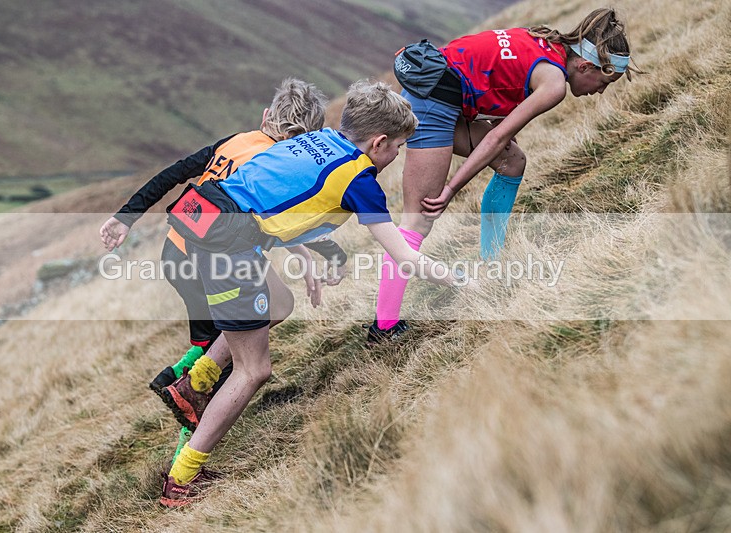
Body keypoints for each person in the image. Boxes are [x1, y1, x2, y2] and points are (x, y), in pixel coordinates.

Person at [159, 80, 461, 507]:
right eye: (397, 147)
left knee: (280, 303)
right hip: (229, 244)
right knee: (253, 370)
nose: (397, 156)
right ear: (378, 142)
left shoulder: (319, 138)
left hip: (207, 221)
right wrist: (460, 280)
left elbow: (281, 196)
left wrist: (319, 255)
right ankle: (182, 479)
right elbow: (403, 257)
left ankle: (197, 381)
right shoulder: (360, 180)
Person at [99, 78, 340, 452]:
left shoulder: (235, 141)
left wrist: (125, 217)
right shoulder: (278, 165)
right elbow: (280, 219)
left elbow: (175, 173)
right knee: (233, 353)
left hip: (176, 253)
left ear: (265, 116)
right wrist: (332, 254)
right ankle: (187, 444)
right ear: (305, 140)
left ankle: (183, 375)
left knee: (261, 314)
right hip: (214, 261)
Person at [370, 7, 640, 341]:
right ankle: (384, 328)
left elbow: (493, 70)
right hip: (432, 101)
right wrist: (452, 188)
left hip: (444, 92)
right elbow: (496, 138)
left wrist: (494, 123)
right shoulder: (554, 83)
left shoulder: (546, 40)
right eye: (604, 82)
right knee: (418, 219)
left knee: (513, 163)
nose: (600, 91)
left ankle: (492, 263)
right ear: (585, 65)